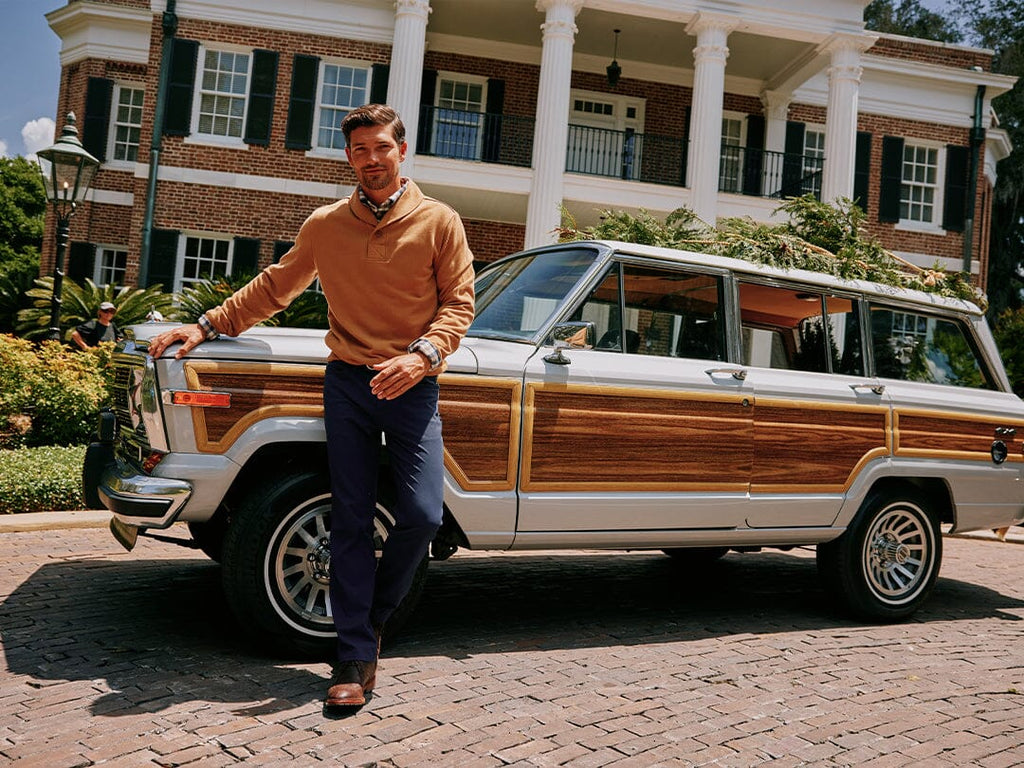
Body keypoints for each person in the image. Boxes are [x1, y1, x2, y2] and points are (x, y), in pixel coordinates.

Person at [147, 104, 475, 709]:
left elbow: (459, 303)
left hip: (411, 383)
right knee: (350, 517)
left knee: (425, 515)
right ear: (347, 157)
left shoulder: (439, 220)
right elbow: (277, 285)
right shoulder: (326, 223)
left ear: (402, 152)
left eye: (380, 148)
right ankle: (353, 654)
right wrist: (206, 324)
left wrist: (422, 356)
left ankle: (371, 618)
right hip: (348, 383)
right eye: (358, 151)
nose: (370, 160)